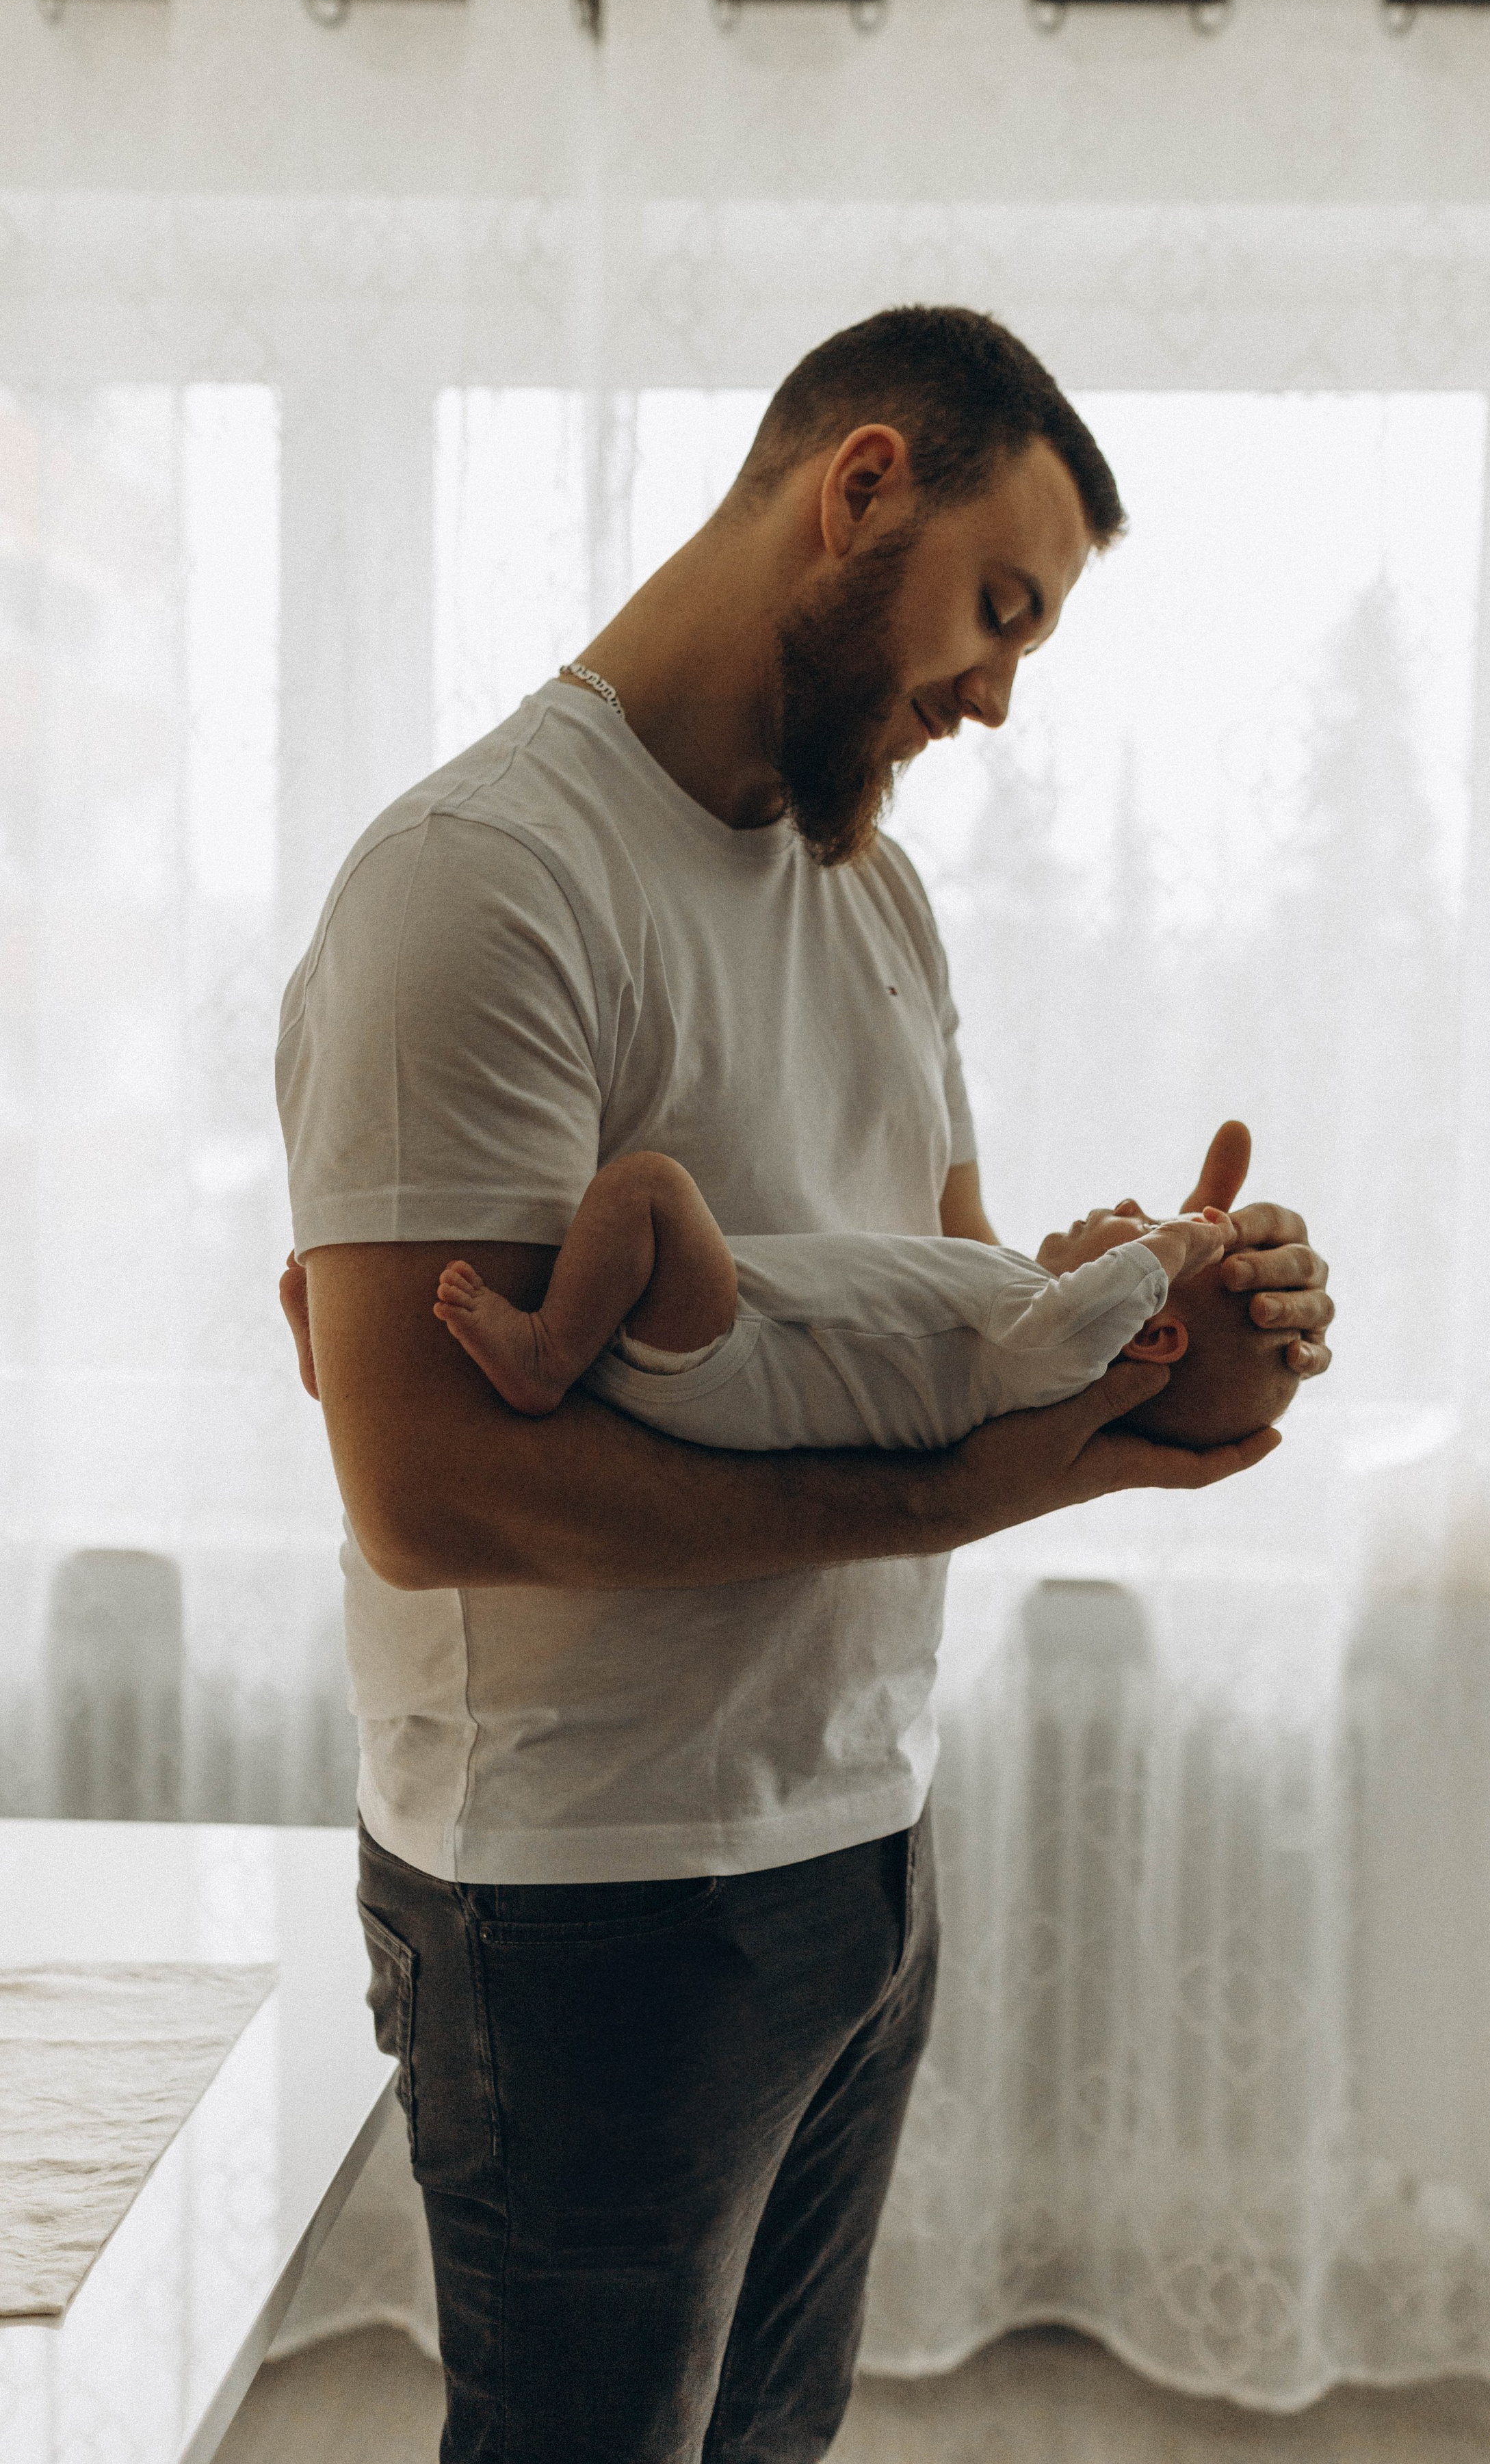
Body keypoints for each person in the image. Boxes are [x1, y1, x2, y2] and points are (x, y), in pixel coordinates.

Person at [276, 306, 1334, 2464]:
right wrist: (990, 1482)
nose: (1000, 691)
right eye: (996, 607)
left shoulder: (876, 895)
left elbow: (915, 1315)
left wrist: (1155, 1306)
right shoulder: (479, 885)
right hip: (584, 1902)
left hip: (858, 1841)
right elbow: (440, 1491)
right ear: (859, 491)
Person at [419, 1151, 1300, 1453]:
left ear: (1148, 1335)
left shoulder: (1055, 1353)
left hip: (731, 1353)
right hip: (728, 1345)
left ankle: (546, 1357)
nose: (1123, 1211)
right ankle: (342, 1364)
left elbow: (1080, 1313)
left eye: (1138, 1227)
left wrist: (1173, 1246)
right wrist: (1160, 1250)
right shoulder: (1020, 1328)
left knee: (646, 1189)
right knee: (606, 1249)